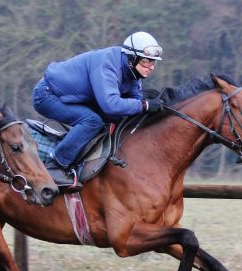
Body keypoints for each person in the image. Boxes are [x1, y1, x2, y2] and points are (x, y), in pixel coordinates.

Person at [31, 31, 164, 189]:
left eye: (153, 62)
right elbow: (111, 105)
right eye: (146, 61)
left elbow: (134, 103)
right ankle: (55, 165)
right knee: (92, 121)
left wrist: (145, 107)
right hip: (47, 95)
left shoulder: (133, 73)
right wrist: (145, 105)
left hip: (74, 98)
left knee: (114, 118)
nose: (151, 67)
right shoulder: (108, 64)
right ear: (132, 58)